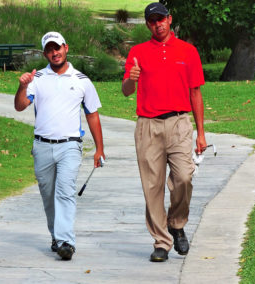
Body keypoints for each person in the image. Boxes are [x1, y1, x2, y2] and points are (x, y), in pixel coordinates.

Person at [122, 2, 207, 262]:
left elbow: (196, 92)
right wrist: (131, 78)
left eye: (161, 19)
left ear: (170, 20)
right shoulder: (137, 52)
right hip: (148, 124)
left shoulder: (188, 51)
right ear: (148, 24)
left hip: (179, 122)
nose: (157, 24)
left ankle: (177, 223)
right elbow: (126, 91)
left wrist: (201, 134)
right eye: (152, 21)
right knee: (152, 186)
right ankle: (161, 241)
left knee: (183, 177)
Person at [14, 31, 105, 261]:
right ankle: (56, 236)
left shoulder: (82, 80)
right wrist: (22, 86)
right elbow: (20, 105)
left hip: (70, 146)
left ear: (66, 48)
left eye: (58, 48)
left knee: (65, 191)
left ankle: (66, 242)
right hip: (42, 146)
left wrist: (99, 148)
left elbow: (92, 114)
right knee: (48, 194)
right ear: (45, 53)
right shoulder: (38, 79)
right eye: (49, 49)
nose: (55, 52)